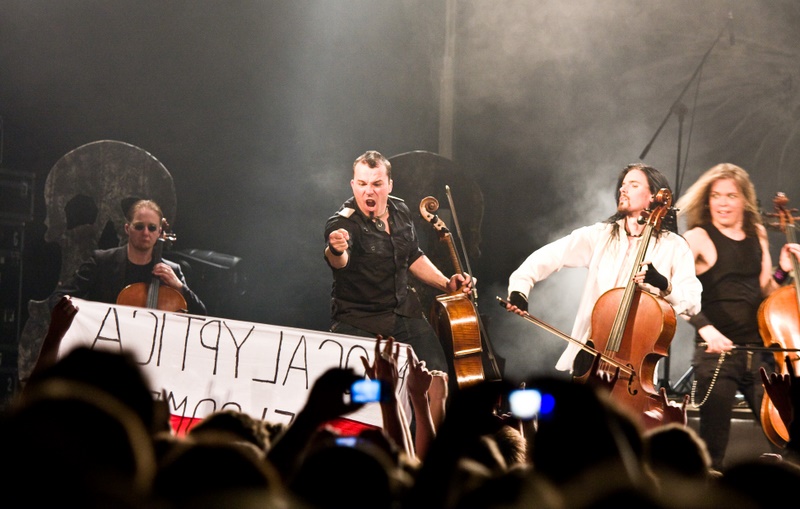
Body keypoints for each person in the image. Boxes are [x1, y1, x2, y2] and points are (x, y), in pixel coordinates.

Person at [505, 163, 702, 377]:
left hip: (633, 368)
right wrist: (520, 288)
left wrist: (664, 285)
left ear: (653, 196)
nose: (622, 189)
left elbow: (693, 303)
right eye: (623, 185)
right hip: (590, 354)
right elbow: (547, 256)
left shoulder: (674, 246)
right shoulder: (600, 235)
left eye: (633, 185)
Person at [675, 162, 800, 471]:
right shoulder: (698, 237)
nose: (722, 203)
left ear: (744, 199)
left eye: (730, 195)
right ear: (708, 200)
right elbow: (675, 290)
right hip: (717, 355)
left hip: (760, 355)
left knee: (788, 438)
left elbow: (764, 290)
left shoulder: (757, 233)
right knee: (713, 451)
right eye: (716, 196)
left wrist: (783, 268)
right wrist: (706, 330)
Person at [324, 150, 473, 374]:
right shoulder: (343, 222)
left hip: (404, 314)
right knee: (370, 389)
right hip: (360, 320)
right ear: (353, 185)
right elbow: (338, 261)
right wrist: (336, 249)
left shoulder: (400, 210)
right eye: (362, 184)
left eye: (377, 184)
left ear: (390, 185)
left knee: (438, 375)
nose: (369, 191)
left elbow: (413, 255)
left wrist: (446, 285)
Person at [48, 199, 206, 315]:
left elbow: (201, 315)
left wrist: (179, 287)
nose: (145, 233)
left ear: (159, 232)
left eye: (152, 228)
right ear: (127, 228)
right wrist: (68, 308)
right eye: (139, 226)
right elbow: (57, 298)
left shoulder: (172, 271)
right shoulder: (102, 261)